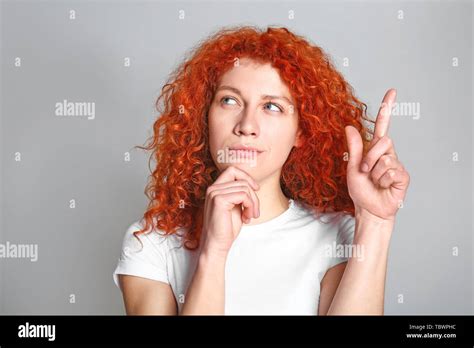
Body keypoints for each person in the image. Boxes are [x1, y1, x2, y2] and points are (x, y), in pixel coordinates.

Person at [112, 25, 410, 315]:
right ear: (204, 117)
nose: (246, 126)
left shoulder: (337, 237)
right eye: (229, 100)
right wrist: (213, 253)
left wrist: (375, 223)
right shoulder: (150, 243)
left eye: (272, 107)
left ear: (301, 133)